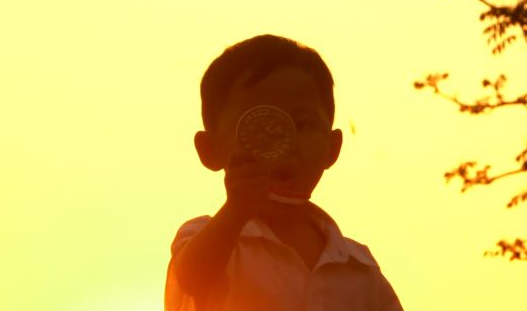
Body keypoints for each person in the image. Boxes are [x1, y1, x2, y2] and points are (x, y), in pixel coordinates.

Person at [164, 34, 403, 311]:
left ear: (333, 147)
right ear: (209, 150)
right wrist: (235, 211)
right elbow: (193, 278)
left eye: (301, 125)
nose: (283, 144)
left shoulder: (359, 268)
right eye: (259, 127)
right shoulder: (206, 238)